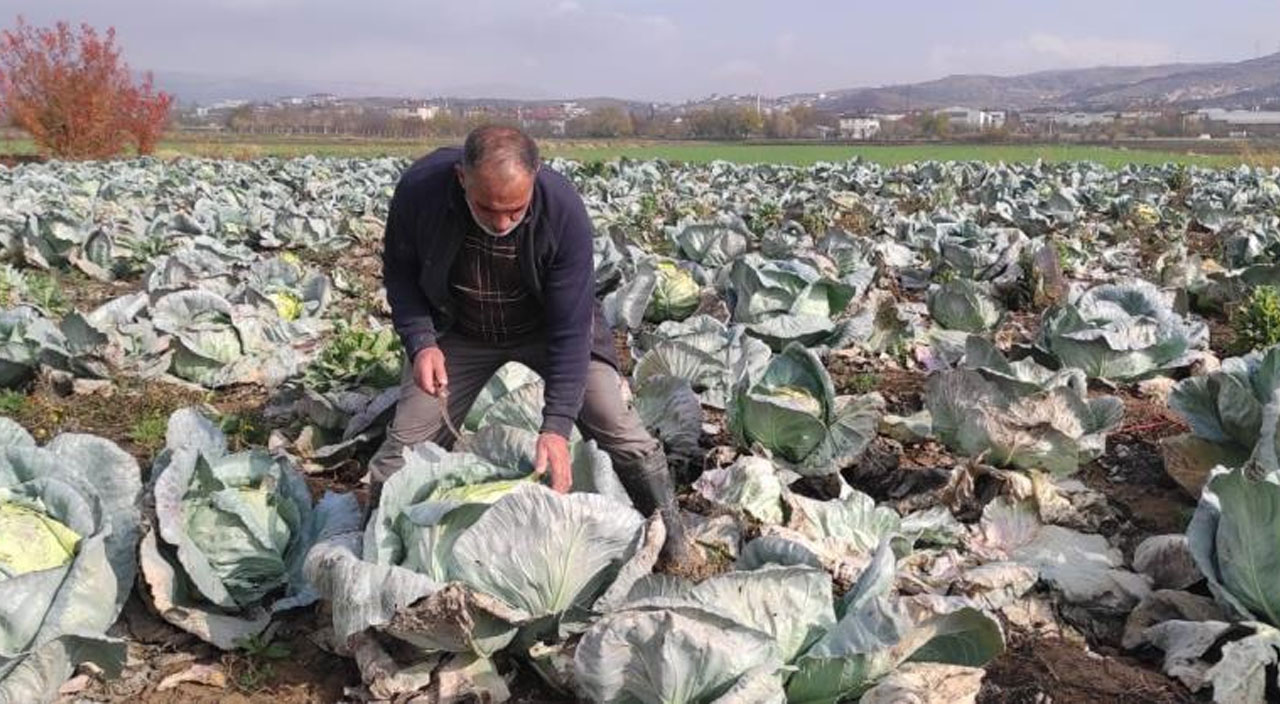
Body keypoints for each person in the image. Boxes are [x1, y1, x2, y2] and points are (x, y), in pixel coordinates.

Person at [367, 124, 694, 566]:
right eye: (486, 208)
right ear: (462, 178)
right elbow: (401, 274)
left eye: (515, 211)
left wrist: (556, 427)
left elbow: (571, 330)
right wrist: (421, 341)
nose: (501, 223)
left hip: (545, 330)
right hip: (459, 332)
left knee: (612, 419)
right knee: (403, 449)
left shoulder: (562, 210)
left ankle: (675, 547)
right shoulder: (420, 191)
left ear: (535, 177)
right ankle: (373, 564)